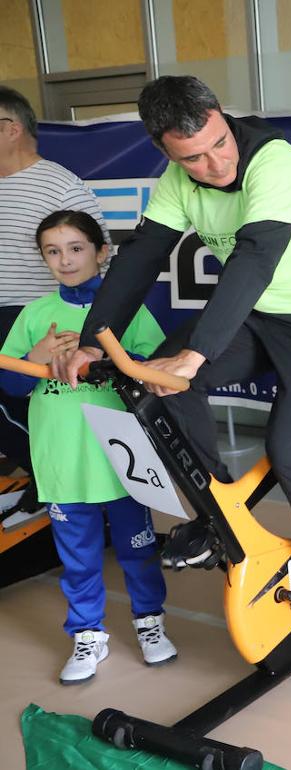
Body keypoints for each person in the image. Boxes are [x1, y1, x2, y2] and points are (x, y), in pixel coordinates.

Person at [54, 75, 291, 652]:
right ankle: (216, 510)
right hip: (257, 316)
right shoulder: (177, 181)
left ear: (223, 117)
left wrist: (195, 355)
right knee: (158, 386)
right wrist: (92, 339)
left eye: (220, 143)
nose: (215, 164)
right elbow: (142, 256)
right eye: (193, 159)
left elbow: (252, 261)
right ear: (165, 151)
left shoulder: (274, 163)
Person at [0, 210, 175, 684]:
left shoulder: (127, 309)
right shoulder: (34, 315)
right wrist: (33, 360)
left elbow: (158, 373)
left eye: (76, 248)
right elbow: (9, 385)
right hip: (61, 462)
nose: (65, 260)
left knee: (137, 550)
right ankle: (87, 634)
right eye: (53, 251)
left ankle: (149, 624)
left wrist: (110, 358)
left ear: (101, 253)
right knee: (76, 557)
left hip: (120, 458)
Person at [0, 86, 109, 513]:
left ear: (11, 128)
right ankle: (45, 477)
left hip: (43, 318)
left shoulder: (60, 186)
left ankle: (58, 483)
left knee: (36, 407)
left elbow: (99, 255)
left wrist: (87, 323)